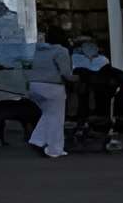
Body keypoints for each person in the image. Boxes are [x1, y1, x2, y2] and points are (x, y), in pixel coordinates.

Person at [29, 25, 73, 159]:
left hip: (34, 86)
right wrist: (75, 78)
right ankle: (53, 148)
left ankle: (40, 141)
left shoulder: (37, 50)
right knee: (56, 118)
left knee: (48, 115)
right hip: (53, 87)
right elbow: (65, 72)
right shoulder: (61, 51)